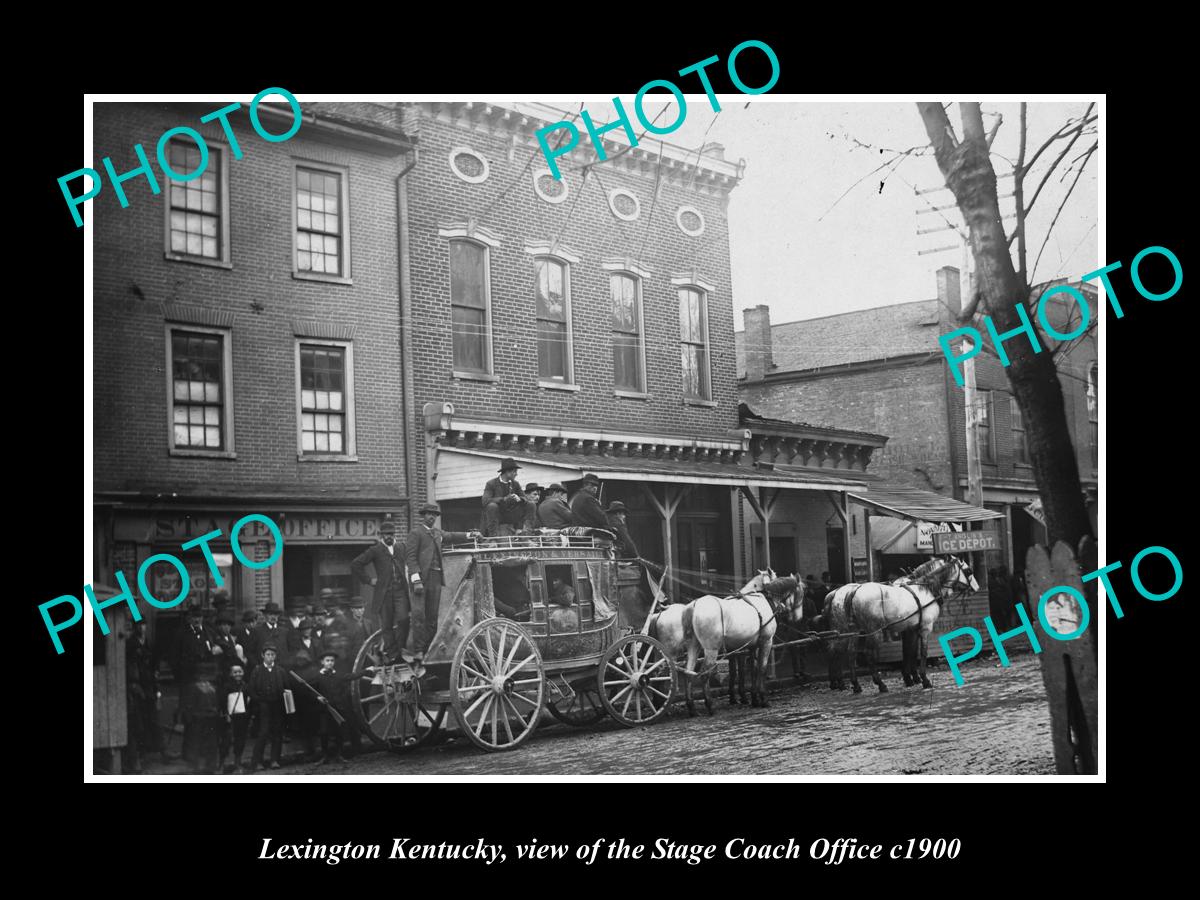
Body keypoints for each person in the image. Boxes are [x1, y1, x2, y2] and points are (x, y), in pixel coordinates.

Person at [406, 502, 480, 655]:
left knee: (433, 619)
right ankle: (418, 651)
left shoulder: (437, 533)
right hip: (421, 580)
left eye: (434, 515)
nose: (432, 517)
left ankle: (426, 650)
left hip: (436, 578)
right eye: (428, 514)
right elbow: (411, 557)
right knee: (419, 617)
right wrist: (416, 580)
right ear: (423, 516)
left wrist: (470, 535)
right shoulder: (416, 533)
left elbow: (452, 536)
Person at [350, 515, 407, 662]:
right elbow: (356, 564)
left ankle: (401, 649)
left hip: (401, 591)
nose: (389, 537)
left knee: (403, 619)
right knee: (387, 625)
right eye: (386, 534)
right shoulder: (375, 550)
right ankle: (393, 654)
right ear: (381, 535)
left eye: (392, 534)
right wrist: (369, 580)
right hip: (384, 593)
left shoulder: (401, 547)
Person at [124, 618, 160, 773]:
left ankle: (154, 749)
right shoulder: (130, 644)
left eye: (144, 624)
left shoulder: (149, 642)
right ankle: (136, 757)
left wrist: (156, 675)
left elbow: (154, 662)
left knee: (152, 717)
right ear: (134, 627)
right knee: (137, 721)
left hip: (149, 684)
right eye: (139, 625)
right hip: (136, 686)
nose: (142, 628)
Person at [311, 650, 361, 764]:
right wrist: (317, 698)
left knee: (339, 732)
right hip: (324, 710)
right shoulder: (318, 676)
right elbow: (310, 690)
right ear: (322, 662)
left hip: (338, 709)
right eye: (327, 661)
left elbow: (351, 676)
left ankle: (339, 755)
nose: (330, 663)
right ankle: (325, 756)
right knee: (324, 732)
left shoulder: (338, 675)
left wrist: (366, 671)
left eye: (332, 661)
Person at [287, 618, 323, 761]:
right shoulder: (296, 645)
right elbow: (295, 662)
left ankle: (318, 747)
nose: (306, 632)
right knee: (305, 717)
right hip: (303, 682)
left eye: (308, 629)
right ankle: (309, 749)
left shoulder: (317, 643)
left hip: (316, 681)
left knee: (316, 715)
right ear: (301, 632)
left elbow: (322, 659)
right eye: (304, 630)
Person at [248, 644, 288, 770]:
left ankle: (275, 760)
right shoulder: (257, 670)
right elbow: (251, 690)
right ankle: (257, 761)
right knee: (263, 733)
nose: (270, 657)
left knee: (277, 732)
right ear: (262, 656)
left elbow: (287, 688)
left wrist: (283, 699)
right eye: (268, 655)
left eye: (272, 655)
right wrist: (259, 701)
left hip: (277, 705)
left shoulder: (280, 671)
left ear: (275, 656)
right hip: (263, 706)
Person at [180, 658, 222, 774]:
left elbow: (216, 702)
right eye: (202, 675)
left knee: (211, 744)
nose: (204, 678)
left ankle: (210, 766)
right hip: (197, 719)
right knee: (195, 743)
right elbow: (189, 705)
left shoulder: (212, 688)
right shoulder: (193, 687)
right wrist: (189, 718)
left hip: (211, 718)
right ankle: (195, 766)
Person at [481, 458, 535, 536]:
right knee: (492, 506)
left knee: (531, 504)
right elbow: (485, 501)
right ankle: (493, 538)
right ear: (507, 472)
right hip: (498, 515)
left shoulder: (515, 484)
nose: (516, 474)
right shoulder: (491, 484)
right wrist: (503, 499)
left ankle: (526, 535)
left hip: (512, 515)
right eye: (515, 472)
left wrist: (520, 499)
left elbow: (525, 498)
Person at [218, 662, 251, 773]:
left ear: (243, 673)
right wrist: (226, 714)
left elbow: (248, 702)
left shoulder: (245, 686)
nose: (238, 674)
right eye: (235, 672)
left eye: (240, 672)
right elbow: (222, 702)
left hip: (242, 718)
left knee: (240, 741)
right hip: (230, 718)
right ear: (231, 674)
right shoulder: (227, 687)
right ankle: (221, 765)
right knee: (226, 742)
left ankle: (237, 763)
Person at [172, 604, 214, 686]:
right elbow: (174, 657)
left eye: (199, 617)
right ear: (189, 618)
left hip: (207, 676)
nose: (197, 620)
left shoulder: (210, 633)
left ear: (203, 618)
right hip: (188, 678)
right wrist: (180, 677)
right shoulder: (181, 634)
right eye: (194, 617)